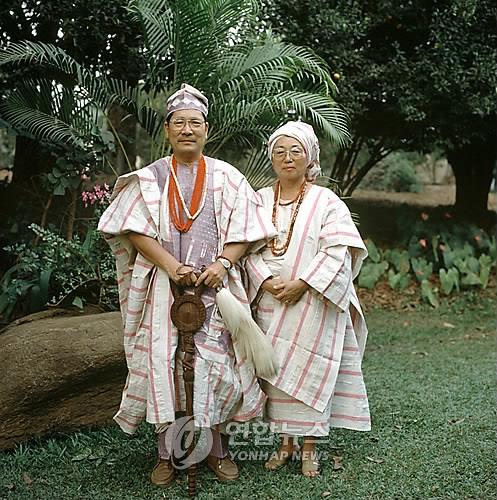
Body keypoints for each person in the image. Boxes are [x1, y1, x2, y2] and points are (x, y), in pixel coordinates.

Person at [98, 83, 275, 486]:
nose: (187, 130)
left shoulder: (227, 177)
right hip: (164, 290)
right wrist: (172, 266)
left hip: (215, 292)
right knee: (163, 366)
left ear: (206, 130)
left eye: (195, 123)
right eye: (179, 123)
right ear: (167, 130)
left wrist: (223, 262)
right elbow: (129, 228)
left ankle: (217, 449)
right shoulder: (149, 178)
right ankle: (166, 454)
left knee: (217, 367)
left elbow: (250, 228)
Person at [243, 121, 371, 477]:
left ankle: (310, 447)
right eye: (279, 151)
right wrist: (265, 280)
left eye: (295, 151)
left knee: (310, 369)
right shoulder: (258, 199)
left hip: (313, 302)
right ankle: (285, 444)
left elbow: (338, 253)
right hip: (270, 300)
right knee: (276, 373)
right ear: (271, 157)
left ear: (310, 157)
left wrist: (303, 283)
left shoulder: (327, 202)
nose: (287, 158)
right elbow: (243, 249)